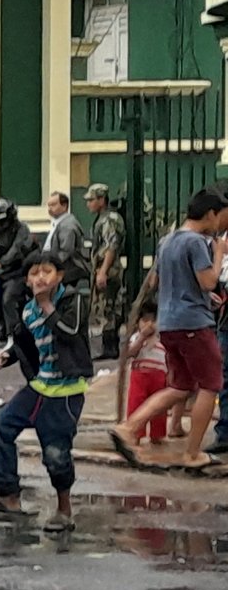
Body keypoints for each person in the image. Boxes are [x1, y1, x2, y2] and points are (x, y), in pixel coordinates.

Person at [112, 188, 228, 470]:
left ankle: (129, 427)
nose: (220, 225)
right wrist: (219, 255)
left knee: (180, 385)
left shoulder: (167, 240)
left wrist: (199, 295)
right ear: (211, 214)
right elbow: (209, 281)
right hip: (193, 324)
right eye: (221, 218)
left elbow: (162, 281)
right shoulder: (197, 243)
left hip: (170, 323)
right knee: (211, 384)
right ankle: (193, 453)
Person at [0, 251, 92, 530]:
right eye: (34, 274)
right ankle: (8, 495)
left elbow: (70, 332)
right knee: (0, 426)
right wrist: (7, 356)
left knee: (55, 453)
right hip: (39, 386)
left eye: (46, 272)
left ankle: (64, 510)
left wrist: (48, 305)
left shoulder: (73, 300)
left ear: (59, 276)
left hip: (67, 390)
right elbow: (24, 341)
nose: (40, 278)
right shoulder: (28, 310)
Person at [0, 198, 38, 374]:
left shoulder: (22, 229)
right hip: (4, 273)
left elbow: (16, 250)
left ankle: (12, 337)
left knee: (8, 298)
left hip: (20, 273)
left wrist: (1, 263)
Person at [119, 299, 173, 448]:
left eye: (154, 320)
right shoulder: (136, 337)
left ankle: (157, 435)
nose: (149, 324)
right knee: (136, 405)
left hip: (159, 376)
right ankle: (135, 434)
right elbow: (129, 353)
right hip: (140, 375)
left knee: (159, 408)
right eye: (145, 320)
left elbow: (168, 357)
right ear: (138, 322)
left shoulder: (162, 339)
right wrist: (142, 337)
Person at [88, 183, 128, 360]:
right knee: (104, 307)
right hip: (102, 266)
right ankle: (108, 346)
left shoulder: (110, 219)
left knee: (109, 306)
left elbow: (112, 246)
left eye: (91, 200)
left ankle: (111, 347)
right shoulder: (102, 218)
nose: (88, 204)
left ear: (101, 200)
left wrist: (103, 271)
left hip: (108, 268)